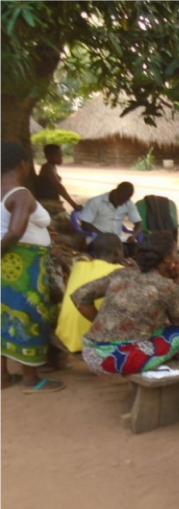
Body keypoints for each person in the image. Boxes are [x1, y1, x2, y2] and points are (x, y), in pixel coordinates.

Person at [72, 231, 179, 375]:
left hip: (91, 353)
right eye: (176, 253)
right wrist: (177, 278)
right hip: (116, 359)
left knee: (158, 328)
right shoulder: (167, 287)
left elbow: (79, 296)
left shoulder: (122, 273)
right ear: (167, 258)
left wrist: (103, 324)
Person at [1, 142, 65, 393]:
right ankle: (31, 378)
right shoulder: (21, 194)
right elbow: (14, 232)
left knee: (3, 315)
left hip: (7, 265)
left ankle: (3, 377)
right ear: (23, 166)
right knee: (31, 313)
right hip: (25, 265)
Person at [55, 233, 126, 353]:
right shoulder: (121, 272)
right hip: (92, 342)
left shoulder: (79, 266)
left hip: (65, 335)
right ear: (118, 252)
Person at [33, 144, 85, 250]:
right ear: (49, 156)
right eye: (58, 155)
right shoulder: (47, 168)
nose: (61, 158)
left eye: (61, 155)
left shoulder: (52, 168)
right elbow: (59, 187)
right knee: (76, 228)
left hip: (53, 206)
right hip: (49, 206)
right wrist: (74, 204)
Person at [79, 181, 143, 255]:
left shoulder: (128, 203)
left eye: (125, 200)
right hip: (97, 239)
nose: (122, 202)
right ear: (116, 191)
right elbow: (85, 223)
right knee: (116, 252)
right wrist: (104, 236)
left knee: (136, 250)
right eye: (120, 199)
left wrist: (134, 235)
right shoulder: (96, 202)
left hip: (117, 240)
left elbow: (139, 223)